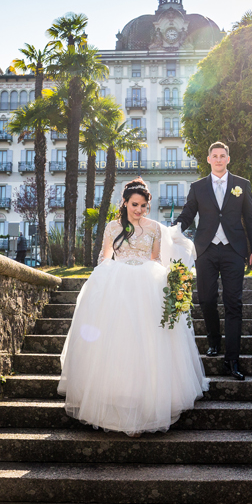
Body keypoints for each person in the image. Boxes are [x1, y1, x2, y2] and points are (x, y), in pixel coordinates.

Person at [58, 178, 209, 436]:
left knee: (149, 341)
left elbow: (156, 258)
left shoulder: (154, 229)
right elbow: (105, 258)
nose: (138, 210)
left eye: (143, 206)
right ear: (125, 202)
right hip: (117, 282)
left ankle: (147, 406)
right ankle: (118, 404)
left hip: (148, 283)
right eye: (134, 204)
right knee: (119, 343)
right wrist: (102, 281)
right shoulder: (112, 227)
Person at [173, 142, 252, 381]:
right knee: (206, 298)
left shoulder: (242, 185)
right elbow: (188, 214)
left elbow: (251, 219)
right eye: (215, 156)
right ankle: (213, 339)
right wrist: (174, 231)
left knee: (234, 303)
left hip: (234, 250)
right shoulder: (198, 187)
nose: (219, 159)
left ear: (228, 159)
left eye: (223, 156)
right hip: (206, 250)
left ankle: (232, 360)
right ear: (209, 159)